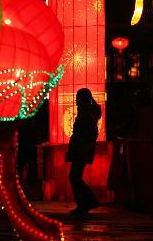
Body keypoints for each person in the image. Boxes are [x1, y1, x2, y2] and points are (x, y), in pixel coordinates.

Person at [66, 87, 101, 215]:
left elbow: (84, 134)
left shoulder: (85, 115)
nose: (76, 102)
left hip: (80, 149)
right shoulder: (89, 113)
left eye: (77, 99)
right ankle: (85, 202)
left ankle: (87, 202)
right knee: (75, 176)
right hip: (82, 149)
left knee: (74, 176)